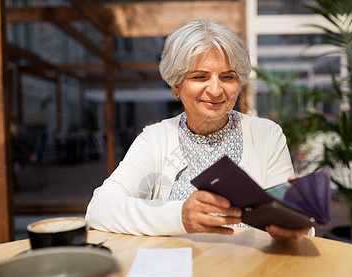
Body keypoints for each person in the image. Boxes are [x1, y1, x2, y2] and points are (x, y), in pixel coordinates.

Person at [85, 20, 311, 240]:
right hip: (177, 269)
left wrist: (293, 226)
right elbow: (99, 208)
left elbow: (296, 222)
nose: (215, 90)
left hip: (250, 267)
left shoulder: (267, 135)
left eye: (227, 77)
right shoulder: (155, 139)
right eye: (199, 76)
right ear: (176, 86)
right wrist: (179, 216)